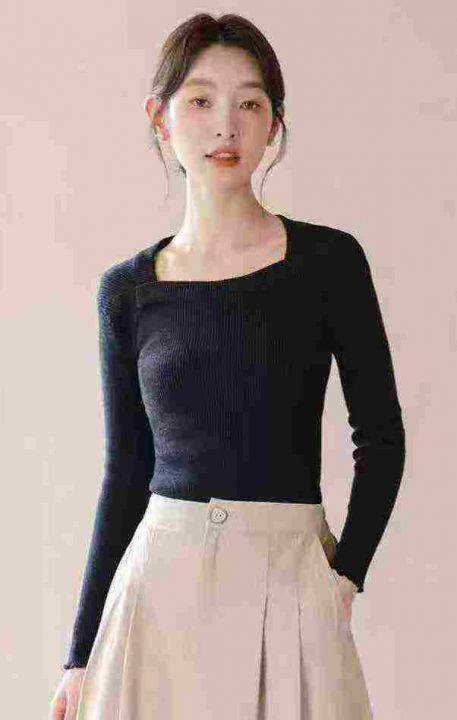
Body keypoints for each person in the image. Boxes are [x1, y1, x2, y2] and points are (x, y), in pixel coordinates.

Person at [50, 12, 405, 720]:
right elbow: (126, 472)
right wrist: (80, 656)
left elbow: (381, 437)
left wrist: (343, 579)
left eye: (250, 103)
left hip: (290, 575)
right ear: (160, 118)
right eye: (201, 101)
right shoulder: (126, 291)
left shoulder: (328, 263)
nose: (226, 126)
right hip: (157, 591)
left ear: (274, 125)